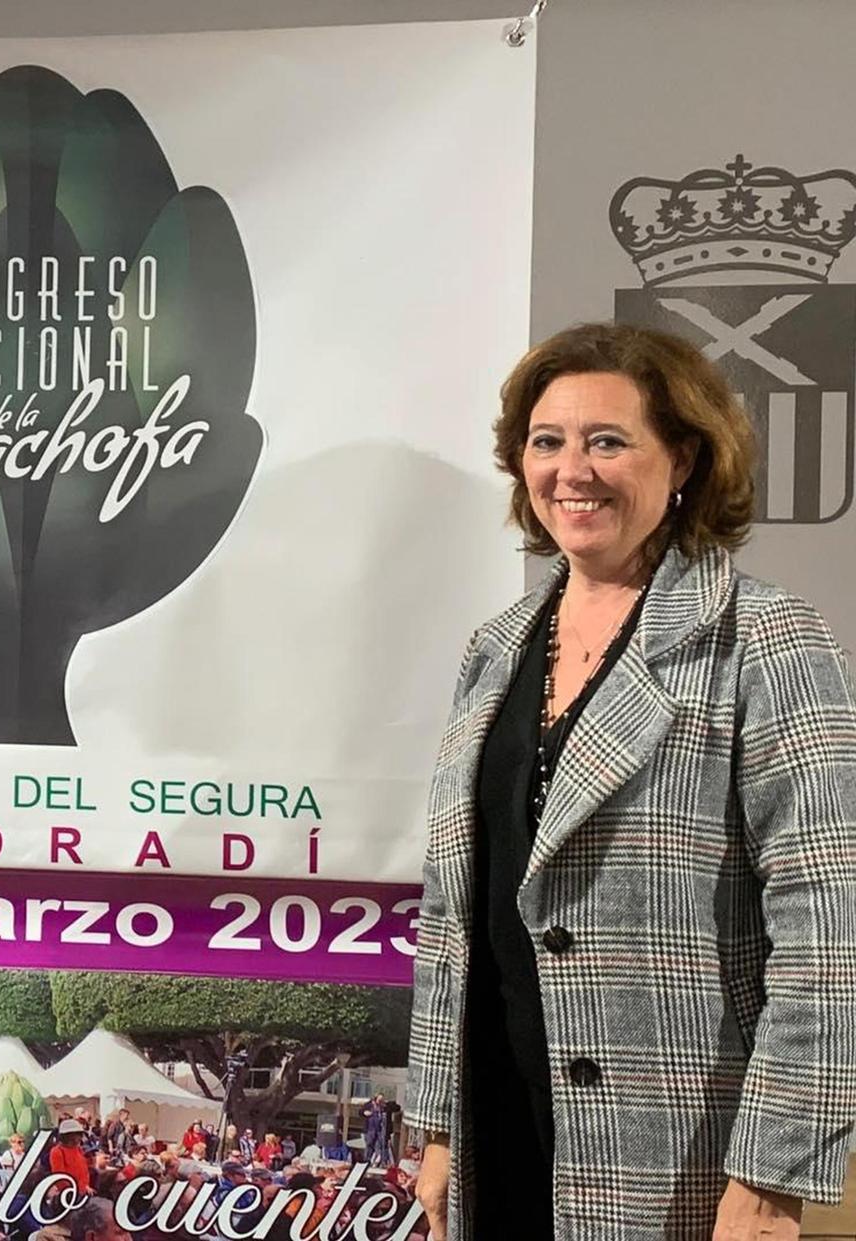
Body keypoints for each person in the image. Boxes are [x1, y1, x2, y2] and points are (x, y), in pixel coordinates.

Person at [405, 322, 856, 1241]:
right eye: (548, 442)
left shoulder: (765, 640)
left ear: (682, 459)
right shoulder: (494, 649)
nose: (573, 470)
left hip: (680, 1150)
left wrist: (771, 1173)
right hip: (500, 1119)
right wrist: (440, 1124)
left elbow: (829, 929)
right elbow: (454, 914)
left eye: (608, 440)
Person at [48, 1119, 91, 1196]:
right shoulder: (57, 1151)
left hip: (84, 1191)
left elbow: (84, 1171)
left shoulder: (79, 1149)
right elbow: (60, 1178)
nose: (80, 1137)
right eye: (77, 1134)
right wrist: (75, 1191)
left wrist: (85, 1186)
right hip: (69, 1194)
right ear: (68, 1136)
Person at [360, 1096, 390, 1168]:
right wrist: (365, 1113)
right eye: (379, 1100)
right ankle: (367, 1162)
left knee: (380, 1147)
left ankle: (381, 1163)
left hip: (380, 1131)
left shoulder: (384, 1107)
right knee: (369, 1146)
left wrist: (385, 1105)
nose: (380, 1102)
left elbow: (396, 1107)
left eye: (382, 1100)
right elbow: (360, 1112)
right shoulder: (368, 1105)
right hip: (370, 1130)